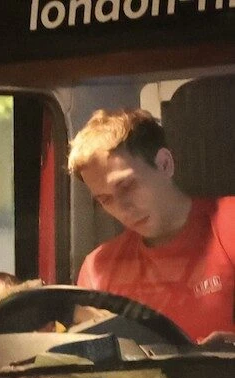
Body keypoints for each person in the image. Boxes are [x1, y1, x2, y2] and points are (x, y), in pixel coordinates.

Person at [71, 107, 235, 343]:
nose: (123, 208)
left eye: (127, 186)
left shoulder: (229, 223)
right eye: (105, 199)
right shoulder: (98, 270)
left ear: (165, 164)